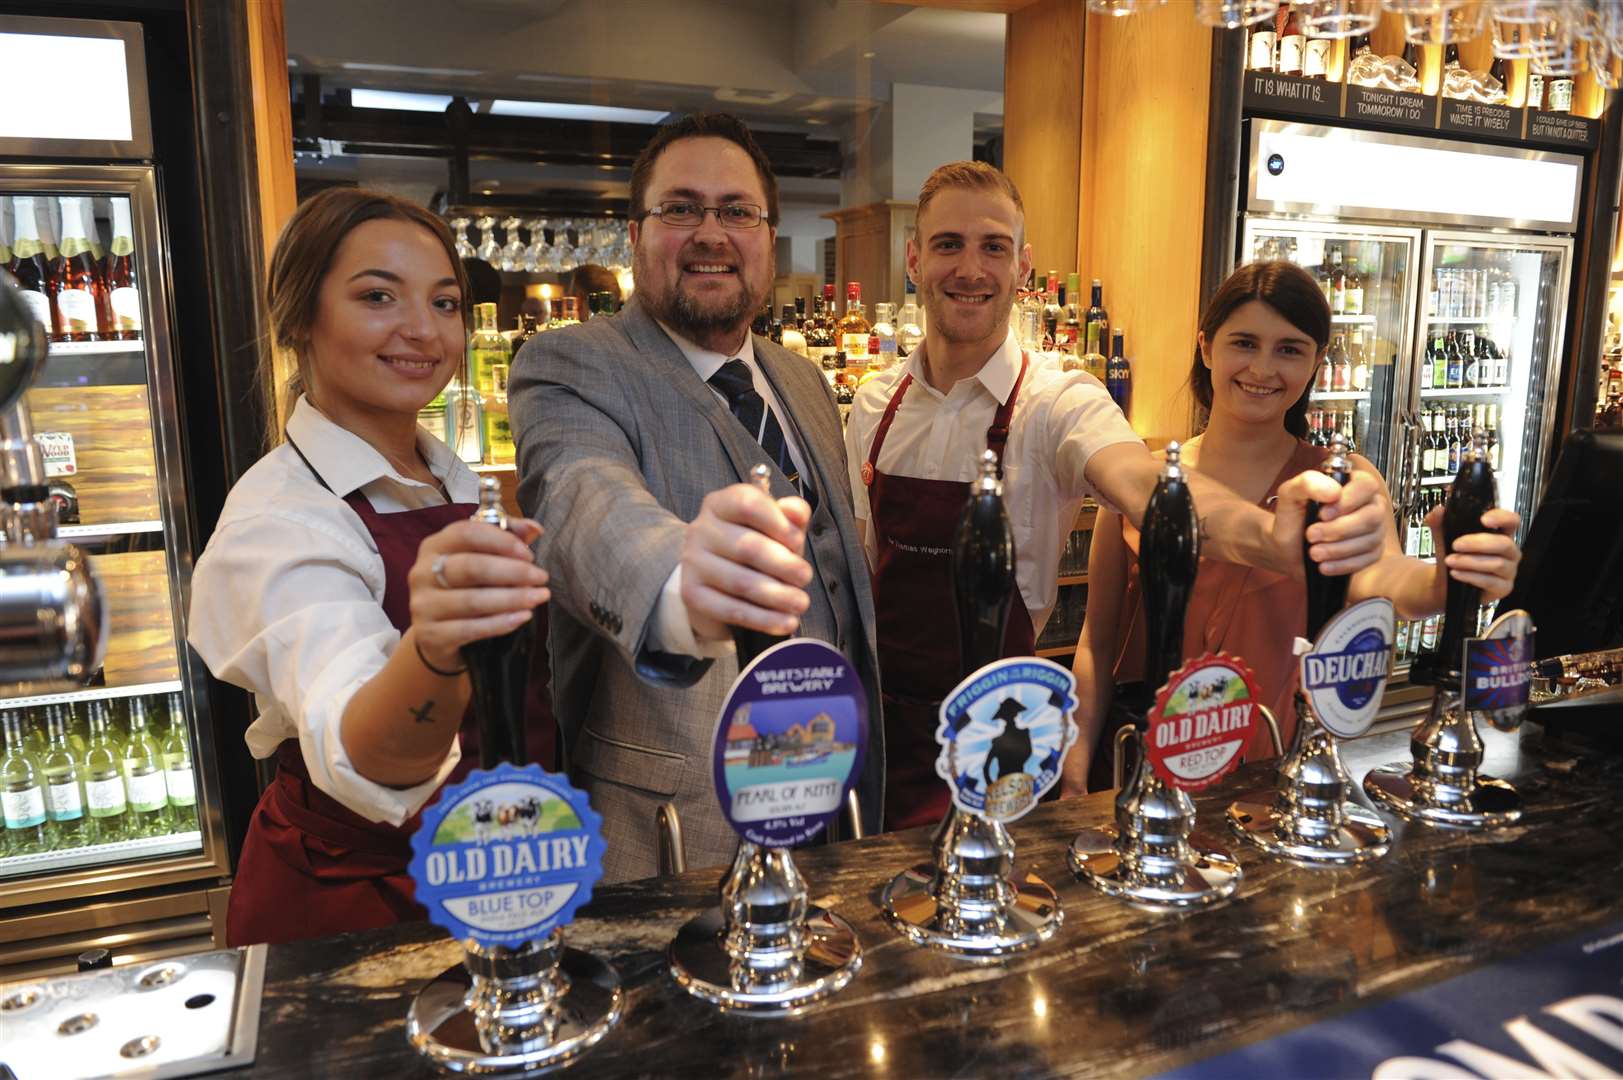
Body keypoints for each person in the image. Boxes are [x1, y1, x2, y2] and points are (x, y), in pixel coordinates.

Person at [846, 163, 1393, 830]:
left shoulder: (1055, 398)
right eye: (946, 244)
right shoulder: (873, 405)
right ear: (912, 258)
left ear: (1022, 266)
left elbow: (1145, 484)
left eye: (992, 247)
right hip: (878, 727)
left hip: (1004, 729)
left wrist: (1270, 537)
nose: (970, 268)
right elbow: (854, 567)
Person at [508, 113, 880, 882]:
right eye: (680, 209)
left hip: (830, 805)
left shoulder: (803, 382)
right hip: (676, 835)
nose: (711, 232)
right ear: (636, 234)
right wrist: (684, 587)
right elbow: (586, 501)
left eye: (736, 211)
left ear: (767, 236)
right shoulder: (572, 364)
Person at [189, 188, 555, 945]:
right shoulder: (281, 518)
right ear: (299, 320)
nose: (422, 330)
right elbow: (369, 756)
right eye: (378, 296)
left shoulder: (452, 478)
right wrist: (432, 648)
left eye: (445, 302)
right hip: (364, 914)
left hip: (505, 871)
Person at [1065, 260, 1522, 794]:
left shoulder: (1339, 482)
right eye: (1244, 343)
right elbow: (1095, 644)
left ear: (1316, 362)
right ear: (1207, 347)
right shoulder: (1143, 482)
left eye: (1289, 349)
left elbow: (1384, 582)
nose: (1262, 369)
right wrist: (1074, 779)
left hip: (1271, 776)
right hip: (1138, 770)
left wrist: (1451, 580)